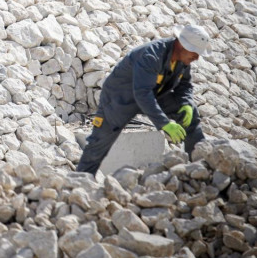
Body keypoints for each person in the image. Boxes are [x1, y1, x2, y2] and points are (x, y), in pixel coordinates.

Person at [76, 25, 210, 175]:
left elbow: (184, 85)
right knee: (99, 142)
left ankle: (198, 169)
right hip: (120, 98)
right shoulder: (152, 55)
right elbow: (142, 93)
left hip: (154, 94)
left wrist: (186, 103)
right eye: (194, 52)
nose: (197, 58)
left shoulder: (182, 59)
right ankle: (80, 180)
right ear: (181, 44)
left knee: (190, 115)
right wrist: (164, 123)